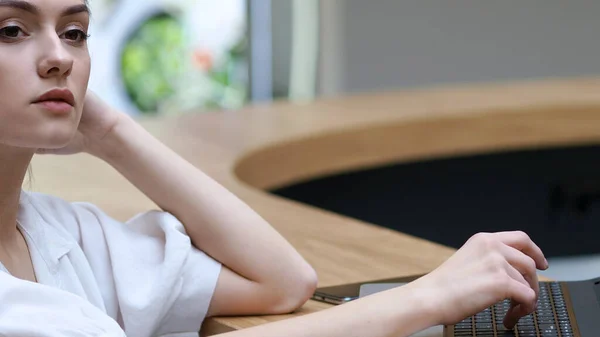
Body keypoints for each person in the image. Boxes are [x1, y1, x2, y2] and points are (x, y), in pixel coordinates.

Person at [0, 0, 549, 336]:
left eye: (74, 32)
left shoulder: (50, 232)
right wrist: (427, 297)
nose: (60, 57)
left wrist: (109, 132)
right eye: (12, 30)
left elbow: (282, 281)